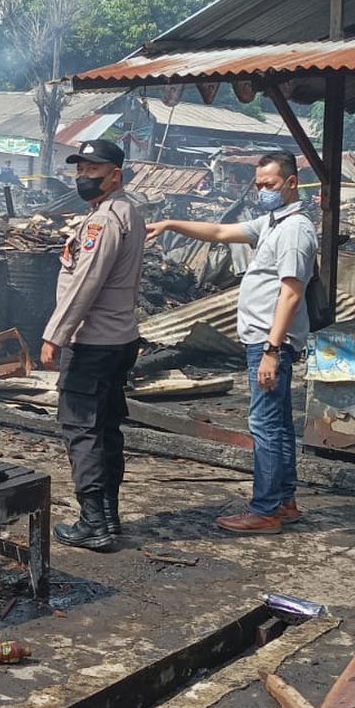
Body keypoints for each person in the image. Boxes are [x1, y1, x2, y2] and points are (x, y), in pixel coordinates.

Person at [146, 150, 318, 535]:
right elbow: (223, 233)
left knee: (264, 425)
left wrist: (272, 351)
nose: (262, 191)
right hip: (264, 340)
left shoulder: (294, 231)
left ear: (292, 183)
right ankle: (284, 501)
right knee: (277, 424)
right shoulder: (274, 222)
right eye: (258, 185)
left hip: (270, 343)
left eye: (270, 185)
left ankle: (265, 510)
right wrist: (171, 223)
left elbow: (291, 293)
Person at [41, 139, 145, 551]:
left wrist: (55, 334)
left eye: (92, 170)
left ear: (115, 174)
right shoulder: (129, 213)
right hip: (120, 339)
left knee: (81, 430)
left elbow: (85, 282)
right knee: (105, 429)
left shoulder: (104, 222)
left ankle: (93, 524)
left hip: (95, 341)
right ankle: (109, 516)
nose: (83, 177)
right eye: (80, 169)